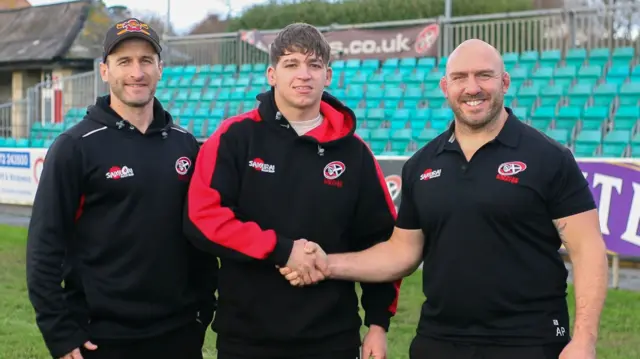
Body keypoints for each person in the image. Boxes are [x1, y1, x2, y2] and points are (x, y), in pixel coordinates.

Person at [280, 39, 609, 359]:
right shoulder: (422, 164)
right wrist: (327, 264)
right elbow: (402, 252)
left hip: (528, 340)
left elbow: (588, 250)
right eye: (459, 77)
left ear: (505, 81)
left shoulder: (549, 158)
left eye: (484, 75)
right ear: (445, 86)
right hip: (439, 341)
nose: (472, 87)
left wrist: (584, 341)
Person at [183, 22, 401, 359]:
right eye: (291, 64)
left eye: (314, 65)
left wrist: (377, 324)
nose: (304, 75)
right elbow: (202, 218)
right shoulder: (235, 138)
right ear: (272, 74)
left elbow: (381, 242)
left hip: (332, 338)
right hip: (246, 338)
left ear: (328, 75)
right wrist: (282, 250)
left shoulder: (354, 153)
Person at [26, 18, 218, 359]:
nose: (137, 72)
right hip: (101, 336)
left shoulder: (185, 145)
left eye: (146, 60)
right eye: (124, 61)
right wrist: (60, 331)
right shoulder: (75, 147)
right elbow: (44, 248)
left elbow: (199, 238)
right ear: (104, 70)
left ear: (160, 68)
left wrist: (203, 309)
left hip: (179, 334)